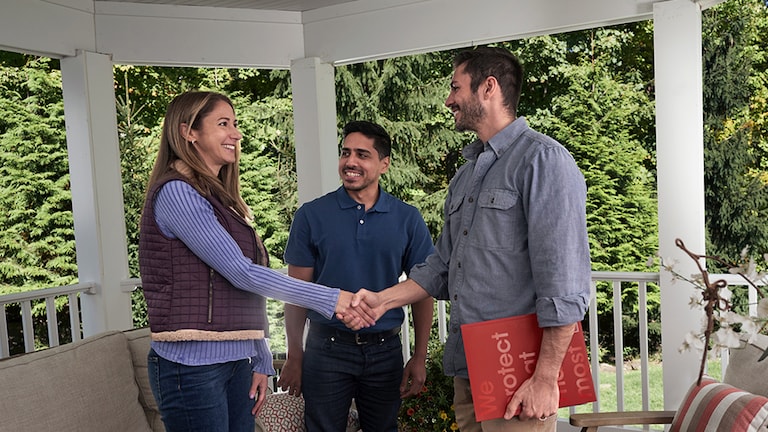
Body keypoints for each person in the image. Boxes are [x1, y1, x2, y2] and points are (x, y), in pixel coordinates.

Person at [342, 47, 591, 432]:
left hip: (519, 372)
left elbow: (565, 283)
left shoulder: (543, 161)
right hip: (470, 366)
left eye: (456, 87)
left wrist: (544, 379)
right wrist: (381, 301)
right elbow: (441, 266)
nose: (448, 99)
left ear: (488, 88)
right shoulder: (466, 175)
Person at [138, 91, 370, 432]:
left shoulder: (220, 198)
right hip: (190, 368)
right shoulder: (178, 193)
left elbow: (240, 289)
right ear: (189, 132)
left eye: (235, 123)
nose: (236, 134)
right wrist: (331, 299)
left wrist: (260, 357)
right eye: (223, 124)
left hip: (235, 362)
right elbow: (242, 273)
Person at [279, 120, 435, 432]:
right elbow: (297, 292)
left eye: (362, 155)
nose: (350, 162)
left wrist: (419, 357)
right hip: (326, 350)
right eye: (346, 152)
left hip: (385, 351)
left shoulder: (407, 218)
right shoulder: (311, 215)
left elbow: (424, 288)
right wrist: (295, 354)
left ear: (384, 164)